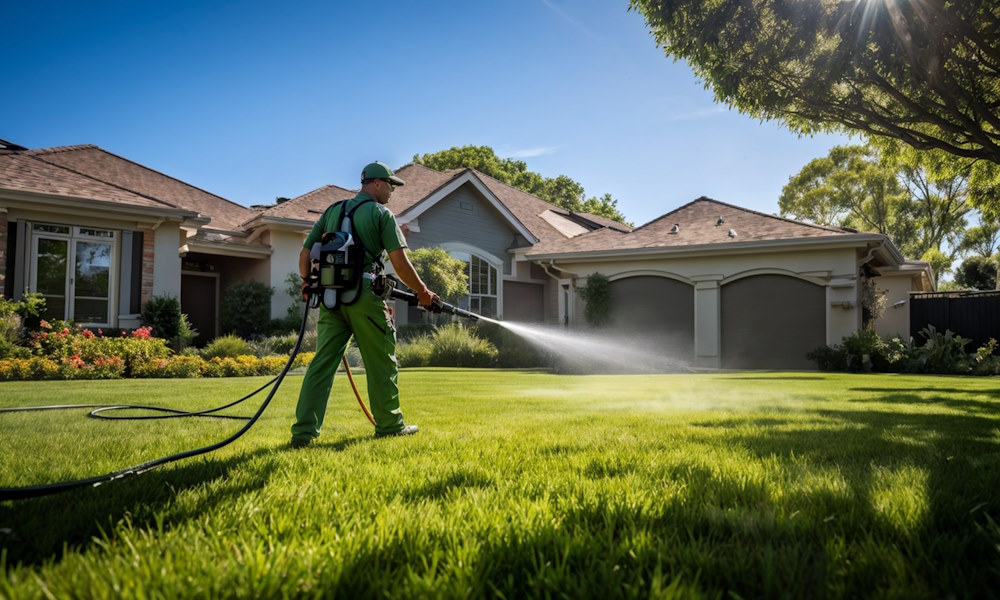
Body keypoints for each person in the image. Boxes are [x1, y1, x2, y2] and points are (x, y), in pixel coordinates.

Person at [290, 161, 438, 447]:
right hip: (364, 296)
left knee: (321, 365)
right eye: (391, 186)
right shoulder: (381, 214)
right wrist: (422, 291)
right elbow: (400, 262)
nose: (393, 191)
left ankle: (303, 434)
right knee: (381, 361)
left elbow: (305, 252)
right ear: (377, 183)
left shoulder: (332, 210)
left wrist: (307, 281)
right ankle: (389, 425)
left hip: (331, 298)